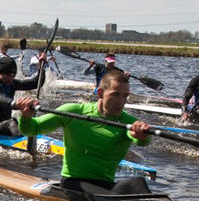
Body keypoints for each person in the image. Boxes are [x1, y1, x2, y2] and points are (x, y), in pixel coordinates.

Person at [18, 70, 153, 193]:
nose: (121, 101)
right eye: (115, 95)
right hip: (73, 183)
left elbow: (142, 142)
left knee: (137, 182)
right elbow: (31, 129)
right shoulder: (73, 112)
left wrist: (142, 135)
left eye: (125, 96)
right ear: (100, 93)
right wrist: (25, 117)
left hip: (106, 186)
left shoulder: (128, 122)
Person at [0, 56, 45, 136]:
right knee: (13, 122)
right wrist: (16, 104)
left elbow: (35, 83)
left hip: (5, 127)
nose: (10, 79)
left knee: (22, 124)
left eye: (13, 75)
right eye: (8, 75)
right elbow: (0, 98)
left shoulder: (11, 83)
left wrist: (42, 66)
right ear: (0, 72)